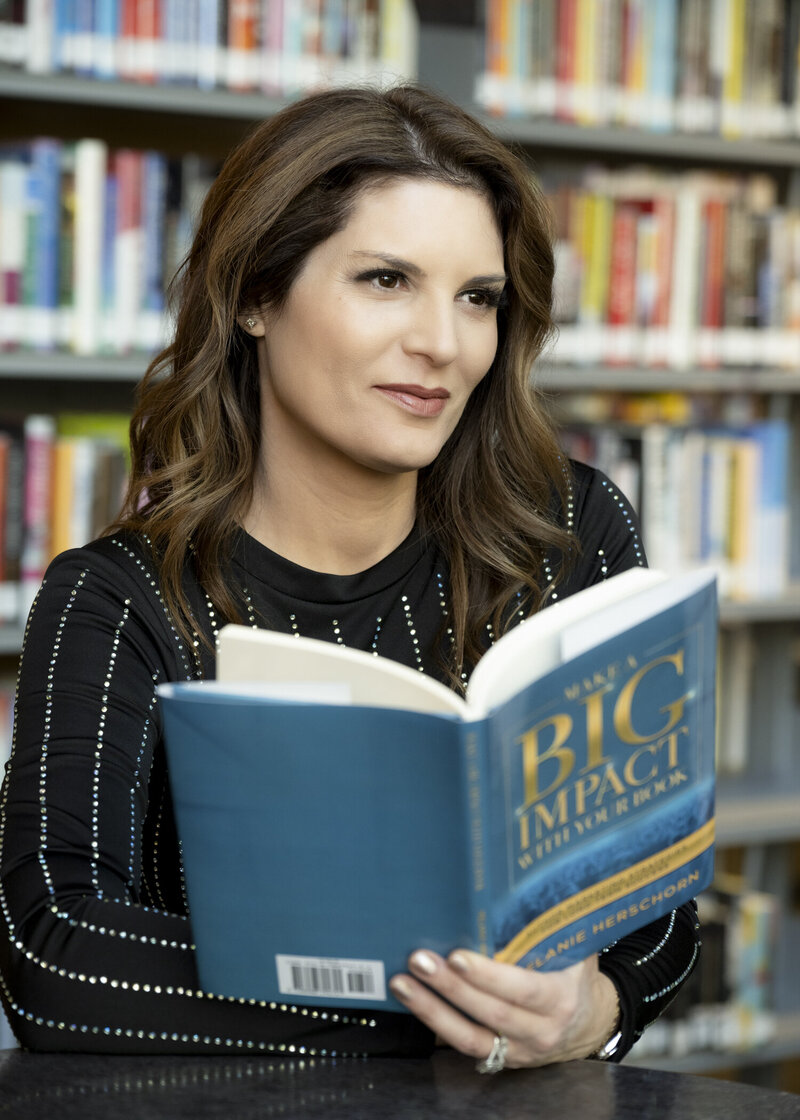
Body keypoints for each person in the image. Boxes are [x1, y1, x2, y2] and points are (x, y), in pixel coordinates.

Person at [0, 84, 699, 1069]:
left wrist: (593, 1013)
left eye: (476, 298)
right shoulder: (120, 599)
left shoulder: (568, 533)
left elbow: (654, 902)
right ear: (253, 294)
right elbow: (55, 955)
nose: (441, 344)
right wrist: (457, 999)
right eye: (384, 280)